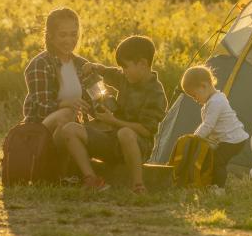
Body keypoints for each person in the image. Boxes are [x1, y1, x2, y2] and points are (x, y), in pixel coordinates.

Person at [56, 35, 168, 192]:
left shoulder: (155, 93)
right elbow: (109, 73)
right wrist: (94, 67)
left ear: (142, 64)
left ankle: (138, 185)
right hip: (113, 141)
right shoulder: (127, 78)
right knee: (70, 129)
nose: (123, 72)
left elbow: (146, 130)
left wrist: (113, 121)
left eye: (126, 67)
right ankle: (91, 179)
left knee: (125, 133)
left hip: (137, 146)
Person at [21, 8, 100, 138]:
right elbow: (42, 109)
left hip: (72, 128)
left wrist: (104, 110)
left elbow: (97, 101)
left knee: (110, 125)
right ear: (50, 36)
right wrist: (66, 104)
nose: (69, 40)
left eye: (73, 34)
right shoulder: (40, 64)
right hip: (40, 131)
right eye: (63, 35)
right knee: (66, 114)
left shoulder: (82, 64)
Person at [181, 65, 249, 188]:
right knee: (211, 158)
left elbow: (208, 126)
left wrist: (194, 138)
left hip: (233, 140)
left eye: (194, 95)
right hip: (227, 139)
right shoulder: (211, 101)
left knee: (217, 162)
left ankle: (219, 189)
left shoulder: (216, 102)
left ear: (204, 86)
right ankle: (207, 182)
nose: (195, 99)